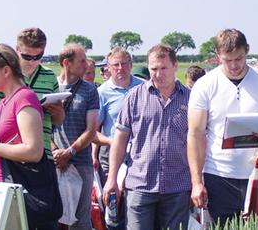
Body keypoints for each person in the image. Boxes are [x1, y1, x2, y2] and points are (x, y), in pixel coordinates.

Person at [188, 29, 258, 227]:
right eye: (227, 60)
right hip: (218, 175)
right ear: (218, 56)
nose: (234, 65)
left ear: (247, 50)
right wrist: (197, 181)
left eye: (239, 58)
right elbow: (195, 134)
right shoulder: (205, 85)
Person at [102, 44, 191, 230]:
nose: (158, 74)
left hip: (177, 185)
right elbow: (120, 139)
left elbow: (198, 142)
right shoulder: (134, 97)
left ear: (175, 66)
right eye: (153, 69)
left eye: (163, 68)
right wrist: (111, 178)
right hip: (140, 184)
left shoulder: (190, 99)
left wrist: (198, 181)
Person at [0, 28, 64, 155]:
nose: (32, 61)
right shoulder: (5, 75)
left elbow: (58, 120)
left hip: (44, 150)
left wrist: (58, 113)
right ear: (17, 50)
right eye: (27, 56)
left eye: (38, 57)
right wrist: (24, 113)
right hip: (12, 151)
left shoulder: (50, 75)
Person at [94, 47, 144, 229]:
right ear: (108, 67)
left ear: (131, 65)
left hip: (139, 154)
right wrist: (111, 141)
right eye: (116, 65)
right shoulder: (102, 92)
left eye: (124, 64)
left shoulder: (143, 87)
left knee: (136, 203)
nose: (120, 68)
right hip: (111, 155)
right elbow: (93, 131)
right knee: (114, 204)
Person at [54, 43, 100, 230]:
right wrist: (56, 151)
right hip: (53, 162)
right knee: (55, 218)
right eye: (81, 61)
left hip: (81, 162)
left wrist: (69, 152)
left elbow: (91, 130)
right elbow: (42, 126)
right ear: (66, 63)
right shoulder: (51, 86)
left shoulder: (89, 90)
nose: (86, 65)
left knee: (80, 220)